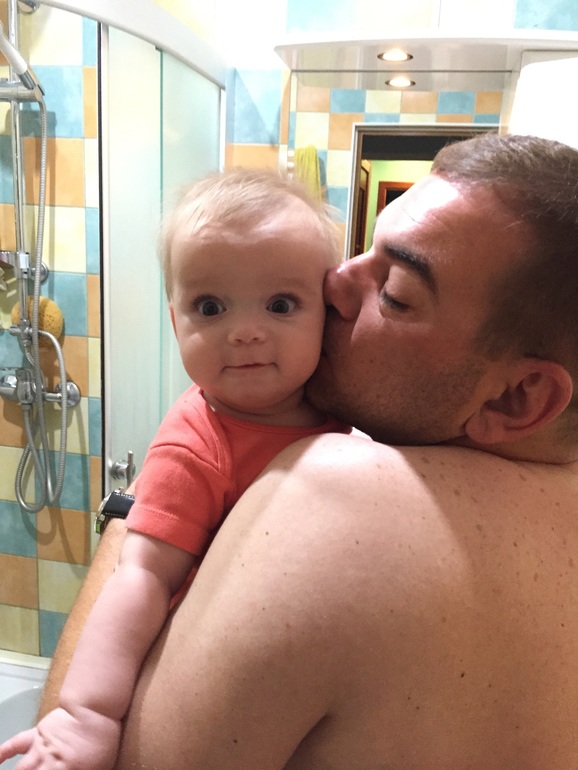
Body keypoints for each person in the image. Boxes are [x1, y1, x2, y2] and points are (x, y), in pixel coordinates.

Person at [13, 131, 578, 768]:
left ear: (518, 397)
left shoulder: (333, 493)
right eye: (363, 252)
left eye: (395, 292)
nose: (335, 284)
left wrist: (134, 508)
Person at [0, 169, 350, 769]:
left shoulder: (342, 412)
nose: (245, 332)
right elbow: (140, 579)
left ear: (329, 314)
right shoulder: (196, 442)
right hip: (207, 667)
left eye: (281, 305)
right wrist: (85, 715)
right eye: (210, 307)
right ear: (175, 321)